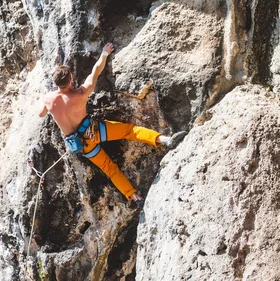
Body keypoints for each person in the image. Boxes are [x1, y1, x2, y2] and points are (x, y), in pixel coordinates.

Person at [37, 43, 187, 204]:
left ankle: (134, 196)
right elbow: (95, 72)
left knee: (110, 169)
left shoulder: (48, 100)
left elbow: (41, 114)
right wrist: (104, 53)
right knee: (130, 131)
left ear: (56, 83)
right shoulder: (80, 93)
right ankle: (165, 140)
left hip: (81, 144)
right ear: (71, 80)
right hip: (95, 131)